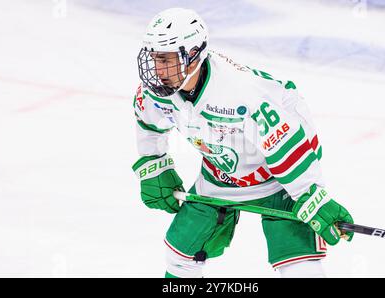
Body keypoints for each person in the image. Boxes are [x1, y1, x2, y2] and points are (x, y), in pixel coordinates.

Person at [133, 7, 354, 278]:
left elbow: (285, 143)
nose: (157, 69)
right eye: (155, 58)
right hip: (222, 174)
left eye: (166, 59)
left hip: (278, 176)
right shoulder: (160, 91)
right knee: (180, 255)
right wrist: (155, 165)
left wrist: (311, 196)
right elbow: (149, 122)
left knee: (297, 262)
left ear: (193, 55)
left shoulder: (240, 93)